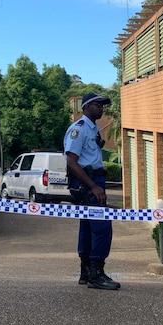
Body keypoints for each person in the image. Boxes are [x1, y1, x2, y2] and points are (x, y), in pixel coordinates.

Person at [63, 92, 120, 290]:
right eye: (98, 105)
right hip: (88, 182)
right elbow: (71, 161)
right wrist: (93, 186)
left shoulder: (92, 128)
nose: (101, 108)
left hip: (94, 179)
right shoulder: (78, 129)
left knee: (87, 227)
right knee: (102, 227)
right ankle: (96, 273)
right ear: (86, 107)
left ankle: (86, 273)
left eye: (102, 105)